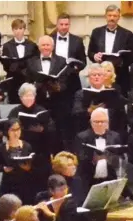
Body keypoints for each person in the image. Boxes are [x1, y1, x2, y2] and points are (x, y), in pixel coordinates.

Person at [8, 83, 57, 188]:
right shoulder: (15, 112)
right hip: (22, 149)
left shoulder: (42, 111)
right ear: (20, 97)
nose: (29, 98)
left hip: (40, 150)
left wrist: (43, 129)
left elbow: (52, 130)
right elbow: (8, 130)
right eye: (25, 96)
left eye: (31, 95)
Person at [51, 13, 87, 150]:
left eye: (66, 24)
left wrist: (75, 67)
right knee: (56, 118)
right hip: (54, 84)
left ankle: (71, 150)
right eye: (61, 24)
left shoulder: (77, 41)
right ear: (57, 24)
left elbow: (83, 62)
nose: (64, 27)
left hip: (72, 83)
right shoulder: (50, 39)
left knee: (71, 117)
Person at [87, 4, 133, 95]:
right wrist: (94, 56)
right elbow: (90, 52)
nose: (112, 18)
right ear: (105, 16)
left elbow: (132, 56)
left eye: (115, 16)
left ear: (119, 17)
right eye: (110, 15)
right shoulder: (96, 32)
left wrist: (121, 62)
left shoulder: (127, 34)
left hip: (120, 76)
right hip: (99, 75)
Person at [75, 107, 122, 189]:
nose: (100, 124)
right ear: (91, 122)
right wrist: (93, 159)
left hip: (110, 179)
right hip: (89, 180)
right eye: (96, 122)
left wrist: (109, 158)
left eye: (102, 121)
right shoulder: (81, 137)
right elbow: (80, 159)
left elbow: (120, 159)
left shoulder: (115, 136)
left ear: (107, 122)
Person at [0, 119, 34, 204]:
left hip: (24, 185)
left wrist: (28, 167)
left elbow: (32, 165)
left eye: (18, 129)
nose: (16, 133)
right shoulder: (0, 148)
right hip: (8, 185)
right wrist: (4, 168)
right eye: (12, 130)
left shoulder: (27, 146)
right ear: (7, 131)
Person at [1, 19, 38, 104]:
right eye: (16, 29)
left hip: (28, 81)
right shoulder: (7, 46)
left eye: (20, 28)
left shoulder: (32, 45)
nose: (18, 31)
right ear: (12, 30)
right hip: (13, 82)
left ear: (24, 29)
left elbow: (35, 63)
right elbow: (5, 65)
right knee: (14, 105)